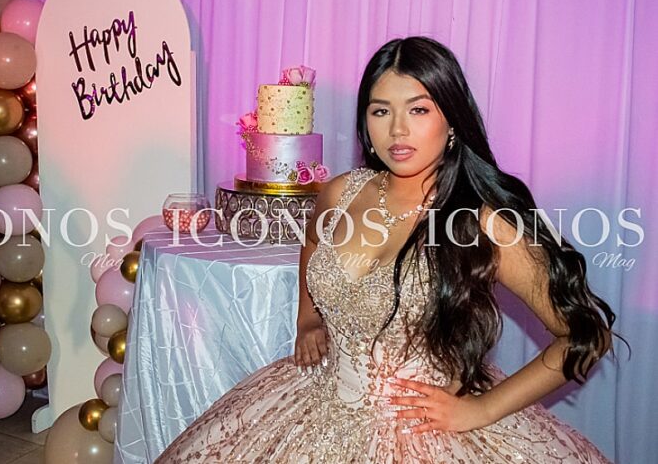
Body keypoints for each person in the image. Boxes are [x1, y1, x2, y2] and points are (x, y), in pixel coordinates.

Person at [156, 36, 617, 463]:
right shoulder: (342, 193)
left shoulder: (482, 222)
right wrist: (308, 319)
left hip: (422, 435)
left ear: (451, 120)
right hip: (311, 405)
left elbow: (586, 335)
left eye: (418, 109)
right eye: (381, 111)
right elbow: (313, 241)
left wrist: (481, 410)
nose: (397, 130)